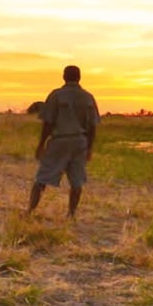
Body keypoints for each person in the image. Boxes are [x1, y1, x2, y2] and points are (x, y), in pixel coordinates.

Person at [28, 65, 100, 218]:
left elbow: (48, 123)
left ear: (64, 77)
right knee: (77, 180)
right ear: (79, 77)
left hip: (59, 140)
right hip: (80, 141)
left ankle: (30, 211)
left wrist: (41, 144)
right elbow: (93, 126)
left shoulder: (56, 95)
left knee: (43, 177)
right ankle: (71, 214)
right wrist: (89, 148)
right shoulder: (88, 97)